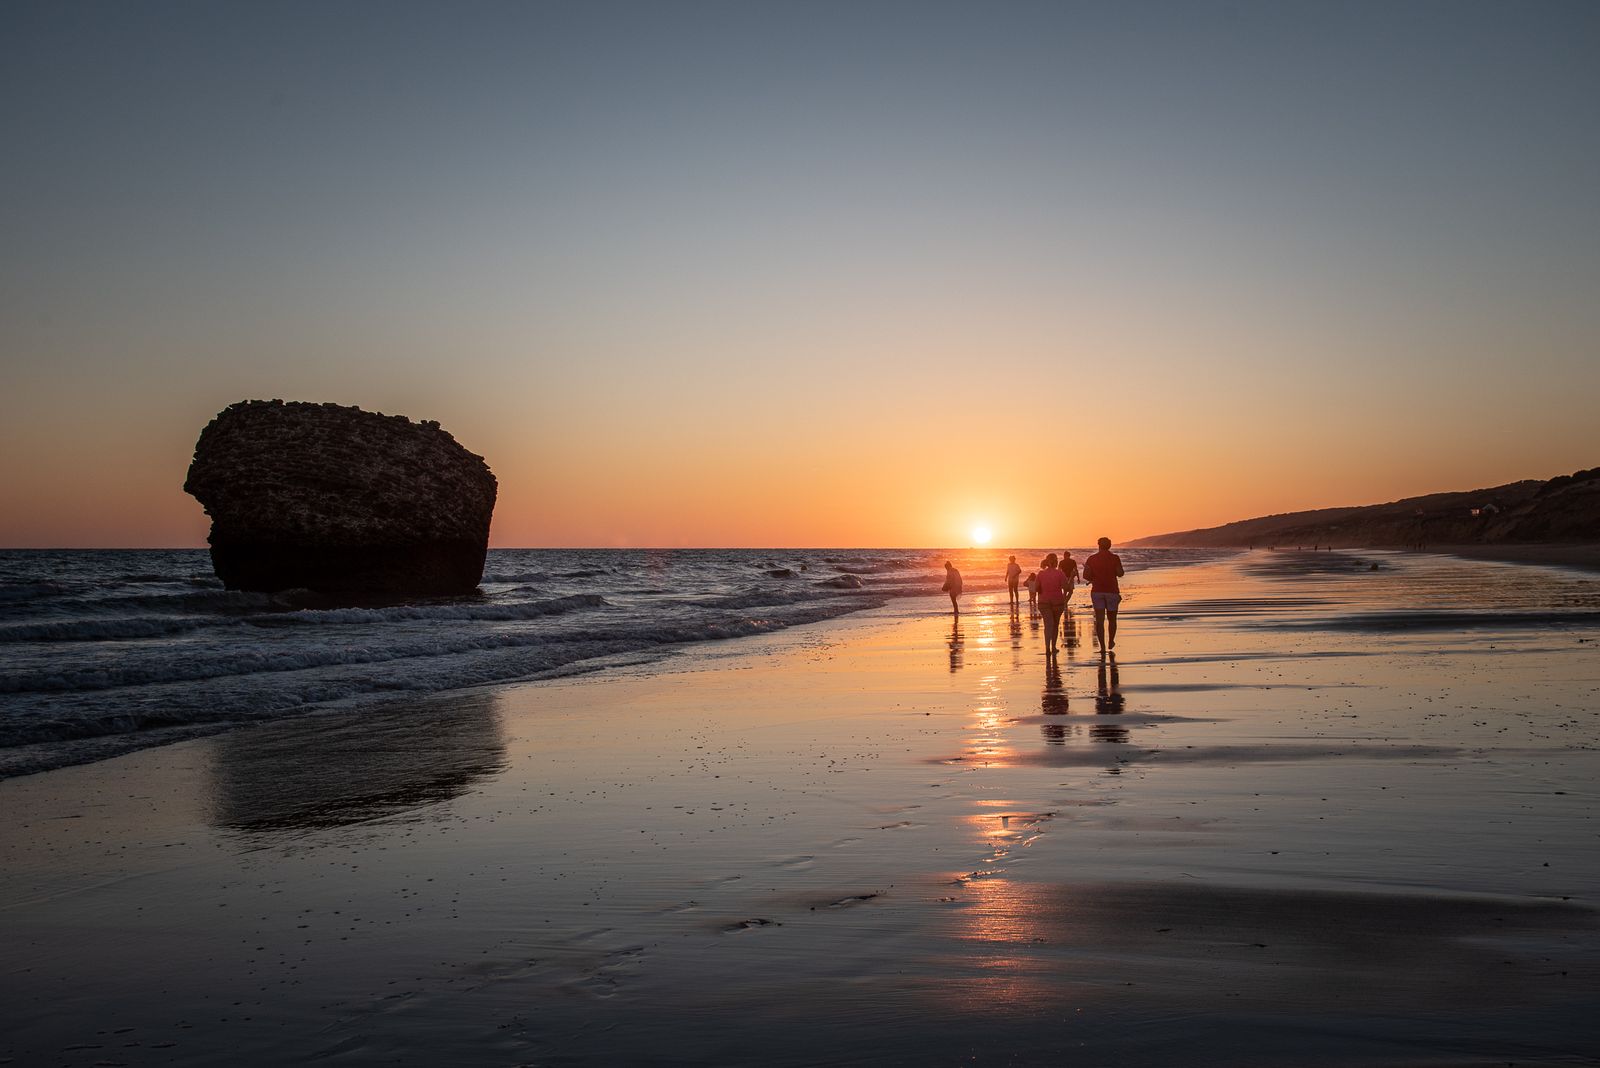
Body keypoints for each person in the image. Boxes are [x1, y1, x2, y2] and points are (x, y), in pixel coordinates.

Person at [1082, 537, 1125, 651]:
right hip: (1112, 591)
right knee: (1112, 619)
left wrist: (1093, 577)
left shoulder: (1091, 559)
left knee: (1099, 620)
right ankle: (1111, 640)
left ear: (1099, 545)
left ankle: (1102, 646)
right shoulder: (1115, 558)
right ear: (1109, 546)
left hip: (1097, 591)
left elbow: (1085, 576)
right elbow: (1120, 573)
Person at [1036, 553, 1068, 654]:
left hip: (1043, 602)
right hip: (1057, 601)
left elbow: (1036, 588)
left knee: (1048, 625)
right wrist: (1071, 578)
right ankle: (1053, 647)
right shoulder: (1060, 573)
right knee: (1055, 625)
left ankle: (1047, 648)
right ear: (1056, 561)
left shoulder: (1040, 574)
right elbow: (1066, 587)